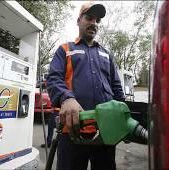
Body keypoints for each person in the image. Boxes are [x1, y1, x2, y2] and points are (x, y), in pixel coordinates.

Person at [46, 2, 125, 170]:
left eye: (97, 21)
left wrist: (124, 117)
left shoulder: (106, 54)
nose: (94, 23)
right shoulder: (65, 49)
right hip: (72, 132)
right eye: (89, 18)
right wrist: (66, 98)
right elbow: (53, 78)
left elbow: (116, 88)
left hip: (106, 131)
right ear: (78, 21)